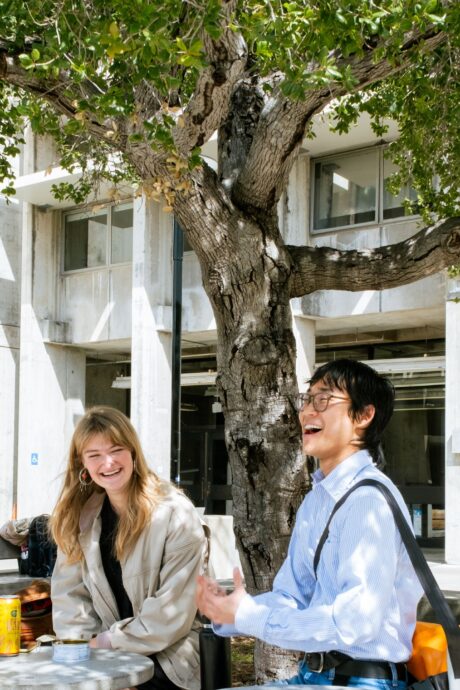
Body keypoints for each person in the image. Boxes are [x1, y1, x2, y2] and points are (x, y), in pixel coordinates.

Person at [196, 358, 423, 688]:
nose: (306, 412)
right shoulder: (318, 499)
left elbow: (354, 624)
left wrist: (249, 616)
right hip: (313, 676)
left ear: (363, 415)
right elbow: (291, 596)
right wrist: (231, 612)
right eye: (307, 399)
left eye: (324, 400)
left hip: (361, 681)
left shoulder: (369, 502)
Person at [50, 406, 209, 690]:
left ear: (133, 451)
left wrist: (109, 646)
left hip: (170, 660)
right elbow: (70, 598)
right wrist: (84, 651)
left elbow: (172, 614)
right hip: (102, 657)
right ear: (82, 464)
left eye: (116, 449)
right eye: (94, 455)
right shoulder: (81, 518)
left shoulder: (174, 513)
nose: (108, 463)